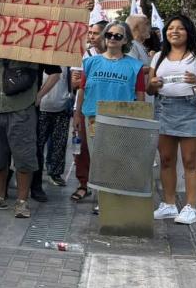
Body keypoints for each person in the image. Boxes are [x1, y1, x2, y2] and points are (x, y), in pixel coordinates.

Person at [150, 14, 196, 225]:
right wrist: (152, 84)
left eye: (180, 28)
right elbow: (149, 89)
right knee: (166, 160)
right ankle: (169, 204)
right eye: (170, 28)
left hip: (192, 109)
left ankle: (191, 207)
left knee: (190, 161)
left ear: (188, 31)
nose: (174, 31)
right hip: (164, 108)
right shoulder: (158, 56)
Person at [0, 56, 61, 218]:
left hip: (21, 110)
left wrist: (39, 96)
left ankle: (22, 202)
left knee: (24, 157)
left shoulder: (34, 49)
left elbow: (55, 72)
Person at [77, 21, 145, 214]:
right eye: (109, 35)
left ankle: (117, 198)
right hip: (93, 118)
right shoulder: (90, 62)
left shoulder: (135, 66)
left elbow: (140, 95)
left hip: (122, 119)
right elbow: (82, 90)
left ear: (125, 40)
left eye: (118, 36)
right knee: (99, 160)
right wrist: (76, 115)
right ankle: (103, 200)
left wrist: (139, 120)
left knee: (118, 160)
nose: (112, 39)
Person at [70, 21, 106, 204]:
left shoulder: (117, 55)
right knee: (82, 147)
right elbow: (75, 83)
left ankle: (105, 189)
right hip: (85, 108)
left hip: (107, 108)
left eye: (96, 33)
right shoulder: (85, 55)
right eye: (90, 32)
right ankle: (83, 184)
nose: (91, 36)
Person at [34, 66, 73, 191]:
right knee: (37, 144)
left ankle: (55, 173)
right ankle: (34, 175)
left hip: (62, 107)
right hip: (41, 107)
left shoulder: (67, 62)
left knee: (59, 144)